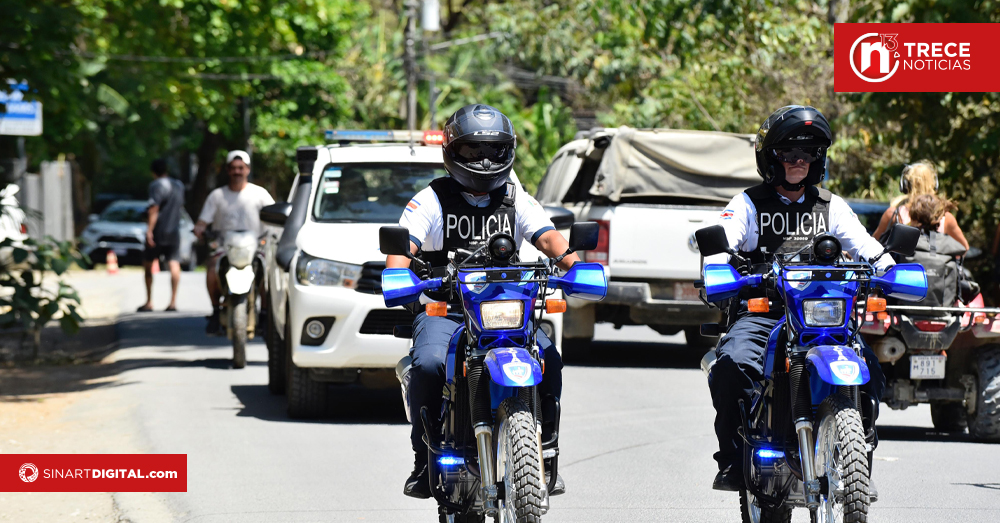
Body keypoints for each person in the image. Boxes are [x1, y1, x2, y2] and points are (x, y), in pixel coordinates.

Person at [385, 104, 578, 499]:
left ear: (508, 151)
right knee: (429, 365)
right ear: (453, 151)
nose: (485, 160)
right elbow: (401, 251)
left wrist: (575, 268)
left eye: (493, 150)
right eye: (473, 151)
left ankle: (544, 451)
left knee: (550, 358)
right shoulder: (431, 200)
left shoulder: (516, 198)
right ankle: (424, 459)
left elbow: (550, 240)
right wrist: (399, 273)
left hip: (506, 312)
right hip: (448, 310)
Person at [706, 105, 889, 491]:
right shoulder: (748, 204)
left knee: (871, 370)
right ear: (771, 157)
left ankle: (859, 464)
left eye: (807, 154)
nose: (798, 162)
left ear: (818, 159)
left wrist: (889, 269)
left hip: (825, 316)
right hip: (765, 312)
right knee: (732, 364)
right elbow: (719, 247)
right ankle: (733, 459)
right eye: (788, 154)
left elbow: (868, 248)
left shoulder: (831, 205)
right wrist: (718, 269)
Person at [194, 150, 275, 333]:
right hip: (226, 248)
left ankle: (263, 314)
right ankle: (215, 311)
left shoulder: (259, 194)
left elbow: (274, 216)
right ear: (228, 170)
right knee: (213, 267)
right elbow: (203, 220)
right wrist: (199, 228)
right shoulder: (217, 196)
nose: (237, 172)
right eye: (233, 168)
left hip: (255, 248)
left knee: (267, 270)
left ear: (247, 170)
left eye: (241, 168)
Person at [873, 161, 968, 249]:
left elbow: (873, 245)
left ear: (906, 185)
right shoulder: (945, 218)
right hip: (934, 267)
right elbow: (964, 247)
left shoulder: (894, 215)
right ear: (935, 185)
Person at [139, 158, 185, 312]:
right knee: (174, 263)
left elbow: (154, 208)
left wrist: (149, 231)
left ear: (153, 172)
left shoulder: (156, 185)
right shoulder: (179, 185)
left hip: (159, 230)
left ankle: (149, 301)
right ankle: (173, 302)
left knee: (148, 264)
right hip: (174, 230)